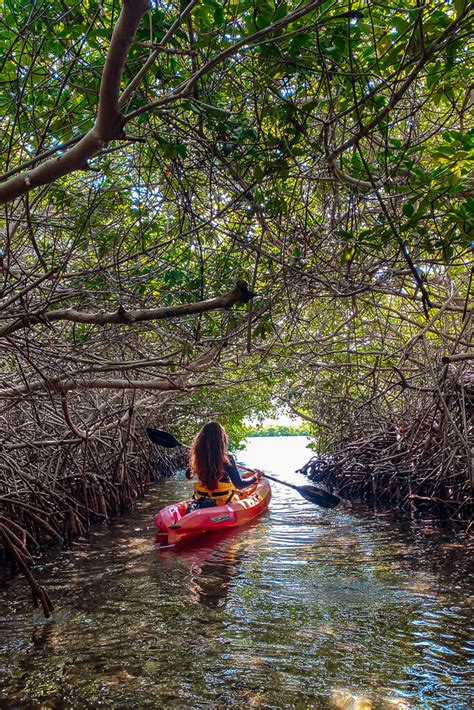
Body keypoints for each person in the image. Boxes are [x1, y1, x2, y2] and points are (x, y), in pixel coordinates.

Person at [188, 421, 261, 508]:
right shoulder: (227, 458)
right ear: (221, 439)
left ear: (201, 439)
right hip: (223, 502)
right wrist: (256, 477)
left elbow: (188, 475)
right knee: (240, 493)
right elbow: (239, 485)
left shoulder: (197, 457)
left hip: (202, 500)